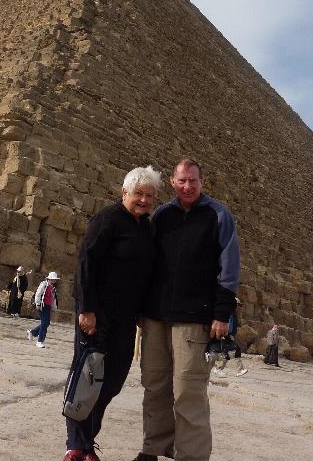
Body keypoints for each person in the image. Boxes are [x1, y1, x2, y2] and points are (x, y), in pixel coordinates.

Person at [134, 158, 240, 461]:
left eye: (193, 180)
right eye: (182, 181)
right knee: (154, 387)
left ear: (202, 181)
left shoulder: (219, 215)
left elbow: (229, 269)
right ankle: (152, 449)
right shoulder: (163, 216)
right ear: (172, 182)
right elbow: (148, 266)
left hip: (194, 320)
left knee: (188, 392)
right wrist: (141, 308)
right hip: (155, 318)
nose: (187, 186)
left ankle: (191, 457)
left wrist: (222, 313)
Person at [62, 165, 162, 461]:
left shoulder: (147, 227)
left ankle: (87, 440)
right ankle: (76, 446)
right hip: (98, 313)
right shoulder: (107, 218)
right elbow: (85, 263)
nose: (143, 200)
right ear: (124, 192)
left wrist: (143, 312)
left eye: (149, 195)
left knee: (112, 380)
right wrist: (87, 309)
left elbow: (148, 274)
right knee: (87, 377)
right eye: (138, 194)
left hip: (126, 318)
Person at [213, 297, 248, 377]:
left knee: (228, 353)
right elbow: (229, 326)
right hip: (227, 335)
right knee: (235, 350)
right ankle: (240, 369)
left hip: (229, 335)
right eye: (238, 305)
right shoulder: (230, 313)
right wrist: (227, 335)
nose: (239, 307)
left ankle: (218, 368)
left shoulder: (233, 313)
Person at [27, 271, 59, 348]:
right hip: (42, 305)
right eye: (53, 279)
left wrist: (54, 308)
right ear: (49, 279)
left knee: (46, 323)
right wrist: (37, 303)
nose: (54, 280)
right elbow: (38, 294)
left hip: (48, 306)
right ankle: (40, 341)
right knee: (44, 323)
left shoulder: (53, 287)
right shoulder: (44, 284)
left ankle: (32, 332)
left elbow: (53, 299)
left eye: (55, 279)